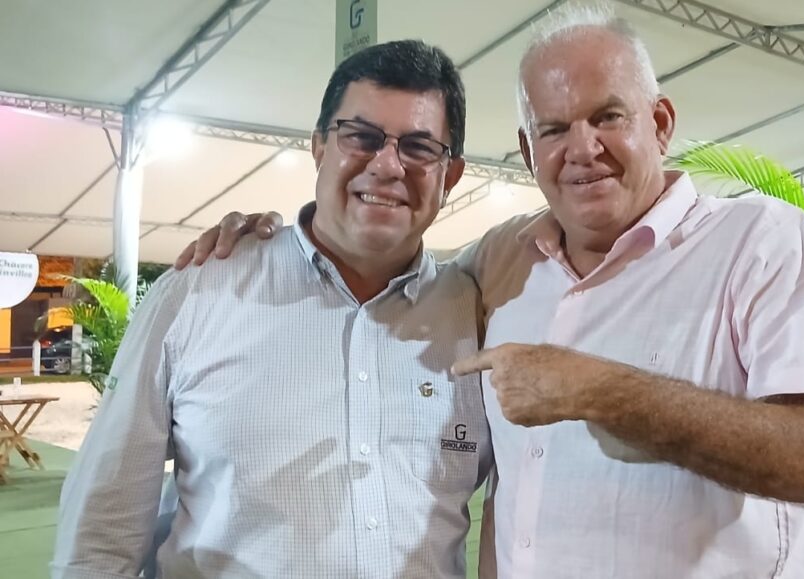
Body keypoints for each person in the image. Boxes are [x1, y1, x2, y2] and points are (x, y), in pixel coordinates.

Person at [175, 4, 804, 576]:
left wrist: (604, 392)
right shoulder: (500, 259)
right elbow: (383, 272)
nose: (581, 148)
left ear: (660, 123)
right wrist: (278, 239)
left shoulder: (758, 241)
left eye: (607, 116)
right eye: (553, 128)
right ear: (527, 151)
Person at [52, 40, 492, 579]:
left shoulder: (477, 316)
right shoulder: (198, 292)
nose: (387, 165)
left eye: (420, 147)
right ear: (319, 147)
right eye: (361, 136)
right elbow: (101, 529)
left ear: (451, 175)